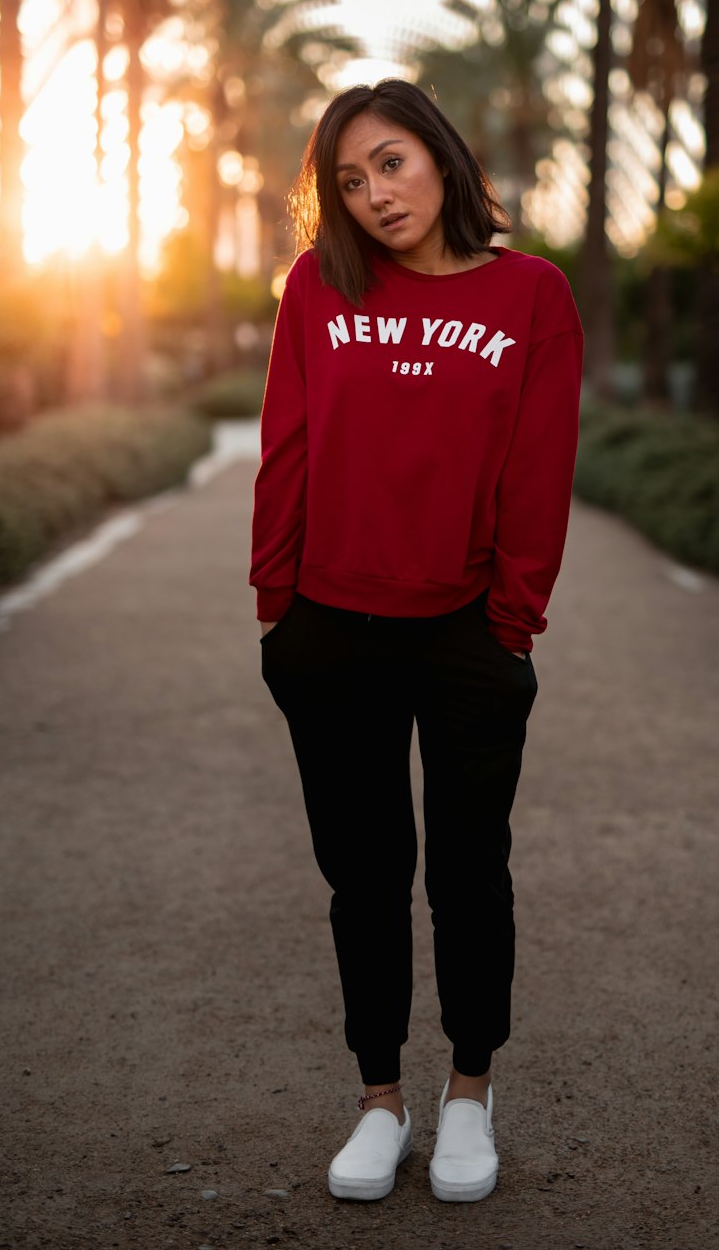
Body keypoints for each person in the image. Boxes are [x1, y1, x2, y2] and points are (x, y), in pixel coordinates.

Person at [249, 78, 583, 1204]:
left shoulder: (530, 295)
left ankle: (469, 1096)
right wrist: (274, 605)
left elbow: (540, 470)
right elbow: (285, 447)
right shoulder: (318, 287)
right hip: (331, 625)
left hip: (463, 634)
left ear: (439, 157)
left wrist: (510, 624)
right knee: (363, 878)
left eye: (389, 162)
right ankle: (380, 1104)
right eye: (349, 179)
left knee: (469, 877)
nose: (375, 192)